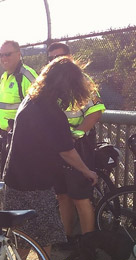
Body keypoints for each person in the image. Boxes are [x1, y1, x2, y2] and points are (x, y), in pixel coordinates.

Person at [3, 57, 98, 260]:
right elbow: (67, 151)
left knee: (25, 234)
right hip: (36, 183)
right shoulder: (51, 112)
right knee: (43, 233)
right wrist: (87, 171)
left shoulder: (31, 100)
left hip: (15, 177)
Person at [47, 42, 106, 246]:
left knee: (80, 196)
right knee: (62, 195)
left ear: (70, 57)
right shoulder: (50, 83)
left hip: (78, 145)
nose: (56, 61)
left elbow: (95, 112)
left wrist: (77, 134)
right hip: (58, 145)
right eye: (52, 58)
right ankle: (67, 237)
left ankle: (87, 245)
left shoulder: (82, 80)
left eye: (60, 56)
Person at [0, 40, 38, 171]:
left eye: (8, 54)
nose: (4, 58)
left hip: (21, 138)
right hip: (5, 135)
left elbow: (40, 107)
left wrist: (20, 129)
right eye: (1, 55)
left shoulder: (27, 75)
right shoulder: (4, 76)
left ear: (19, 54)